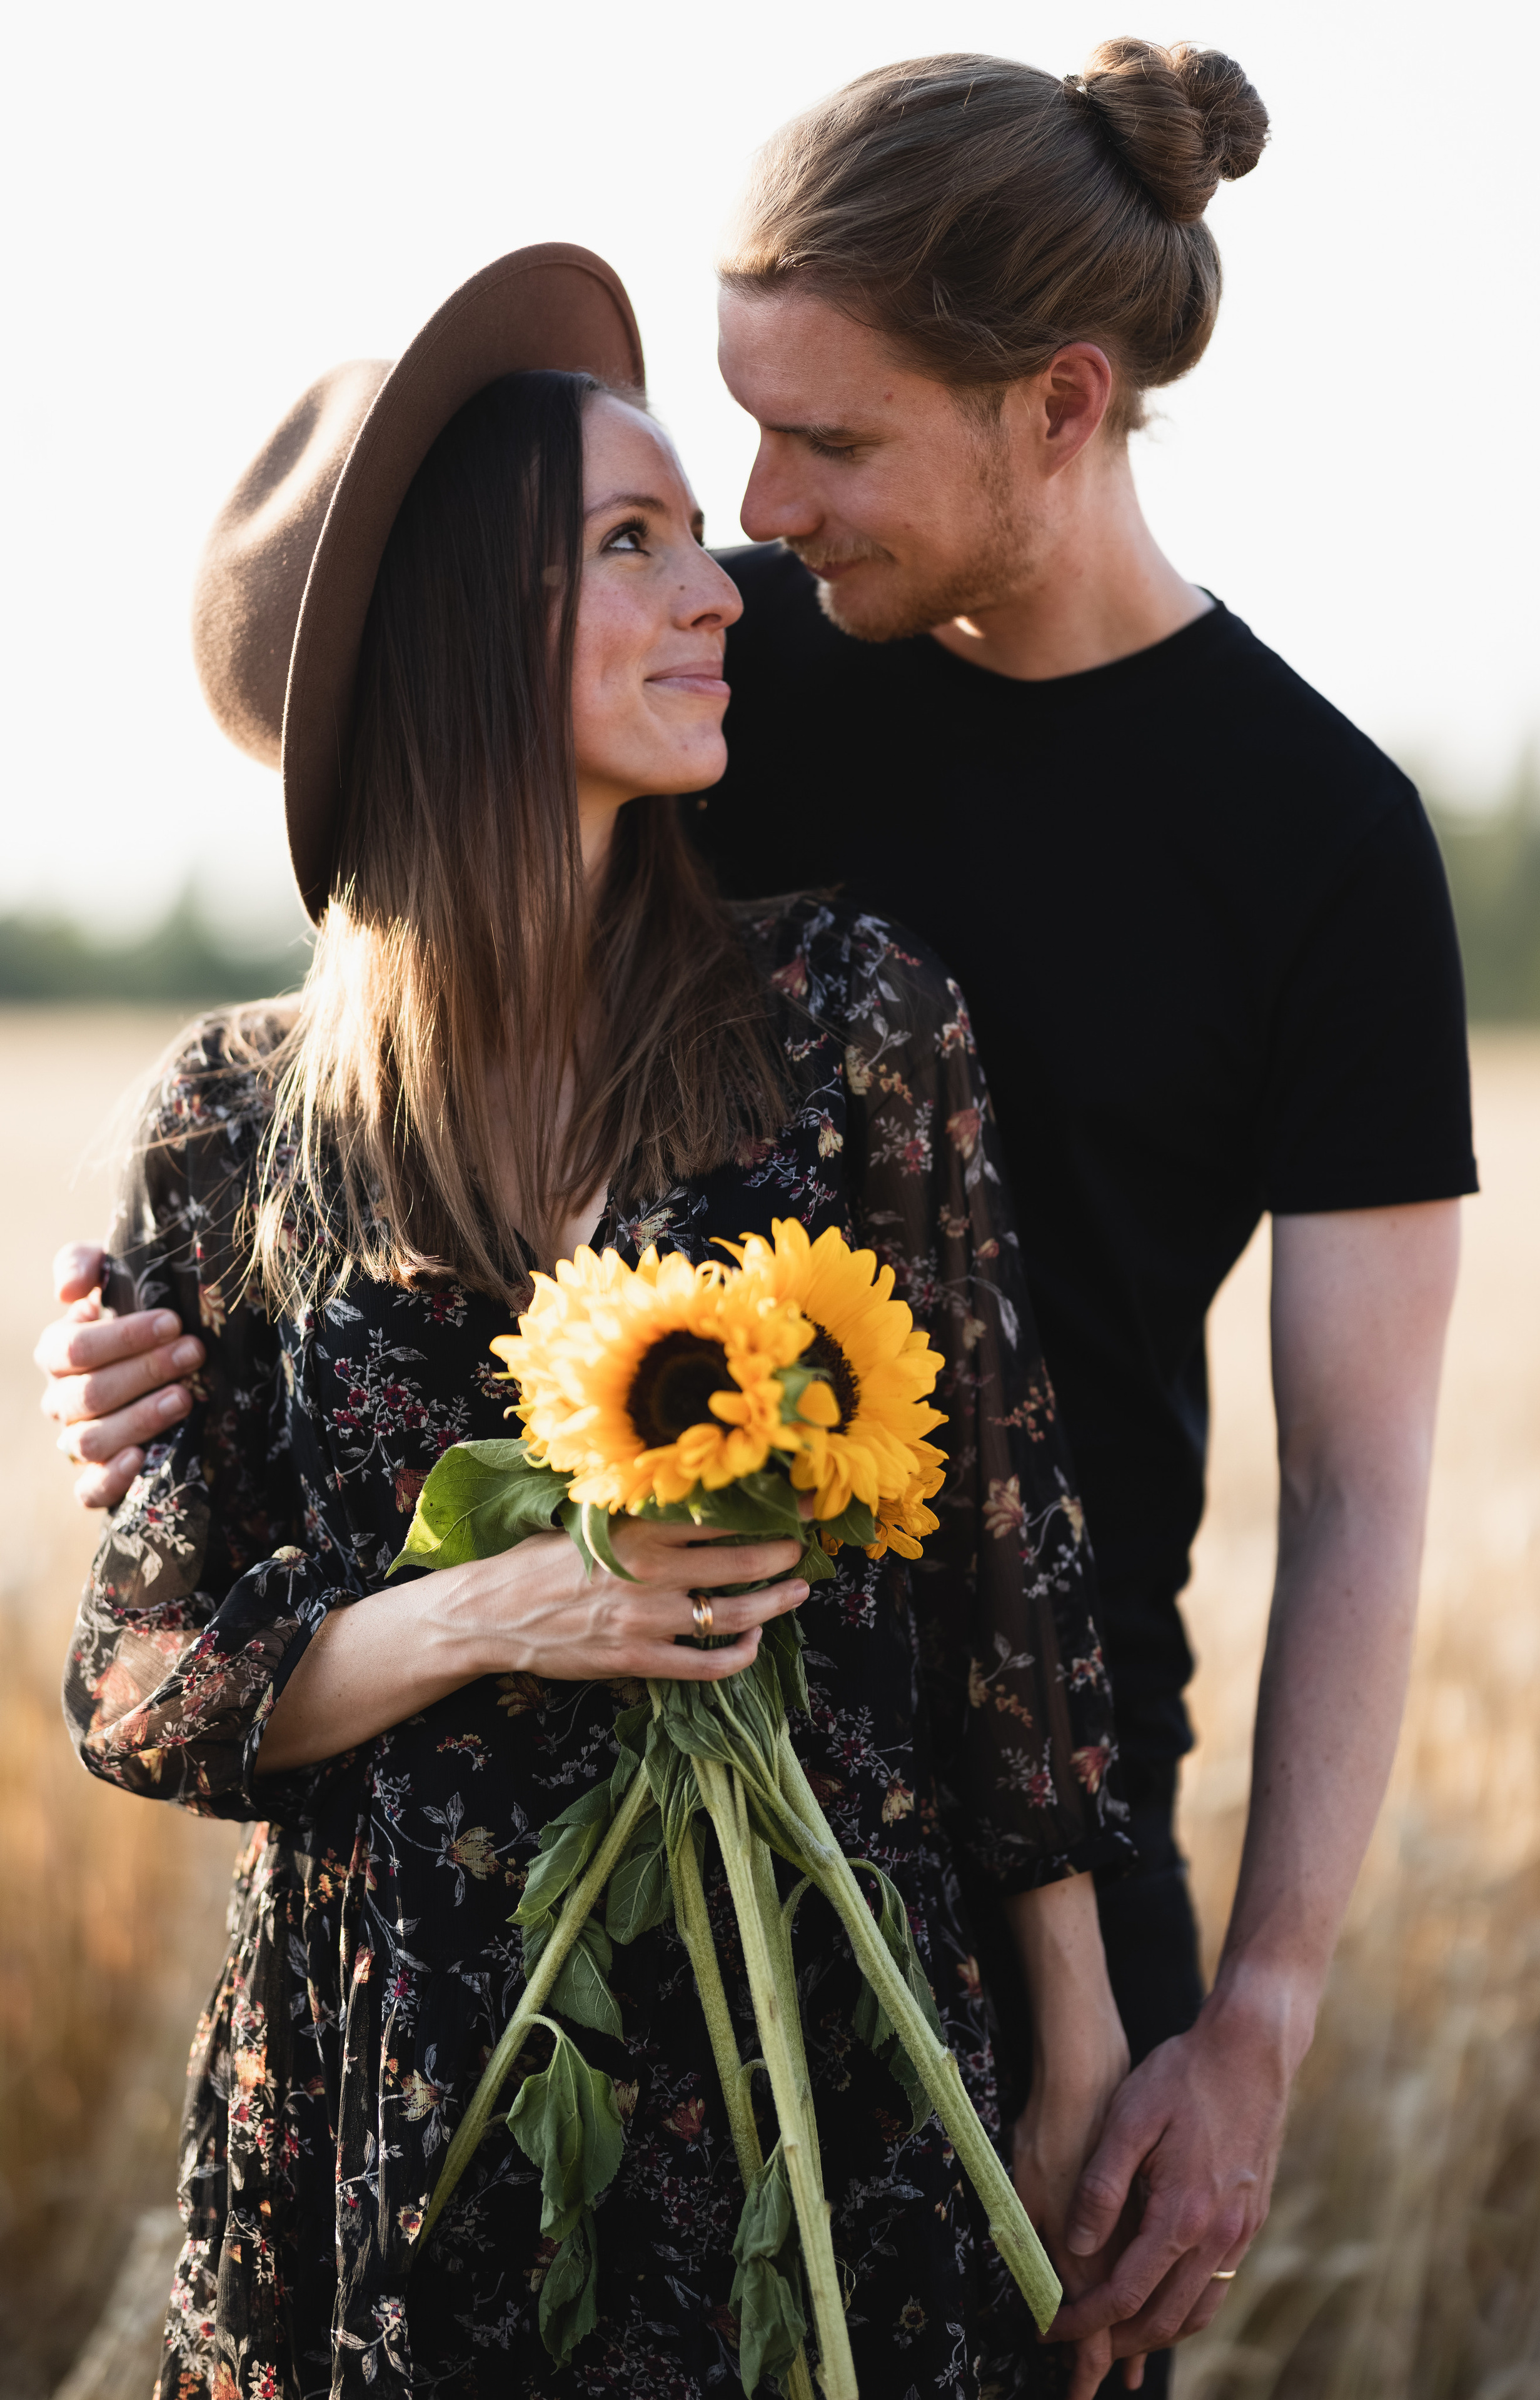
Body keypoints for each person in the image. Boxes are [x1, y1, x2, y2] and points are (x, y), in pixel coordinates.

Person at [38, 38, 1474, 2392]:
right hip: (465, 1914)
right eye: (724, 442)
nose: (752, 521)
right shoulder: (740, 672)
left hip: (1000, 1845)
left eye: (825, 445)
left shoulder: (1318, 847)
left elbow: (1365, 1479)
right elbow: (420, 934)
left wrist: (1250, 2017)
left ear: (1061, 406)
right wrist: (153, 1305)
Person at [53, 245, 1137, 2400]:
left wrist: (1081, 2033)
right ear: (464, 641)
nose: (723, 583)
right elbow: (140, 1685)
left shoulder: (846, 1028)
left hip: (809, 2076)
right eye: (631, 545)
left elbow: (1008, 1585)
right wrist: (500, 1611)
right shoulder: (233, 1126)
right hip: (402, 2104)